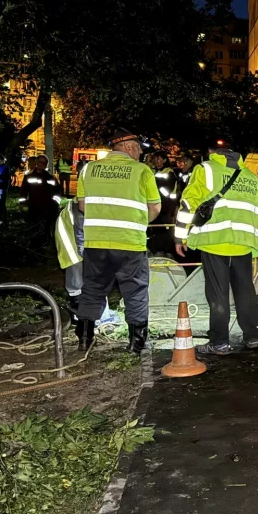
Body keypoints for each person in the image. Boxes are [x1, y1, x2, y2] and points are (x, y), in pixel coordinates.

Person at [174, 143, 258, 356]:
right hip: (244, 244)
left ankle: (219, 342)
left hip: (214, 241)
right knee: (246, 291)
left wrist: (180, 235)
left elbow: (187, 205)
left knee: (218, 294)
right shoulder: (251, 177)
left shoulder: (205, 169)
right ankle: (252, 336)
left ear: (214, 155)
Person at [75, 129, 161, 353]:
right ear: (130, 147)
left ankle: (84, 338)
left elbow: (82, 206)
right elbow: (155, 207)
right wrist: (139, 223)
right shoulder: (142, 171)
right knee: (135, 292)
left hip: (96, 243)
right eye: (139, 148)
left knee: (92, 289)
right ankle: (136, 343)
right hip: (130, 243)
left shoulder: (88, 169)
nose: (141, 152)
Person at [54, 196, 85, 323]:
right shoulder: (82, 207)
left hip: (80, 230)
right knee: (75, 264)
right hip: (68, 231)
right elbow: (81, 239)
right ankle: (77, 311)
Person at [22, 155, 61, 244]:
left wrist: (55, 205)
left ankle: (45, 243)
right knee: (34, 227)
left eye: (44, 163)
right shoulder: (29, 176)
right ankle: (35, 244)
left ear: (46, 165)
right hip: (34, 207)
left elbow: (57, 192)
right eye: (40, 162)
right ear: (36, 162)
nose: (42, 164)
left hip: (48, 208)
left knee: (46, 228)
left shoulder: (51, 177)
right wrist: (23, 204)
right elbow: (23, 191)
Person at [0, 155, 11, 222]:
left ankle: (3, 218)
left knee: (2, 203)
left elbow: (6, 177)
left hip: (2, 187)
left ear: (1, 160)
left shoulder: (6, 167)